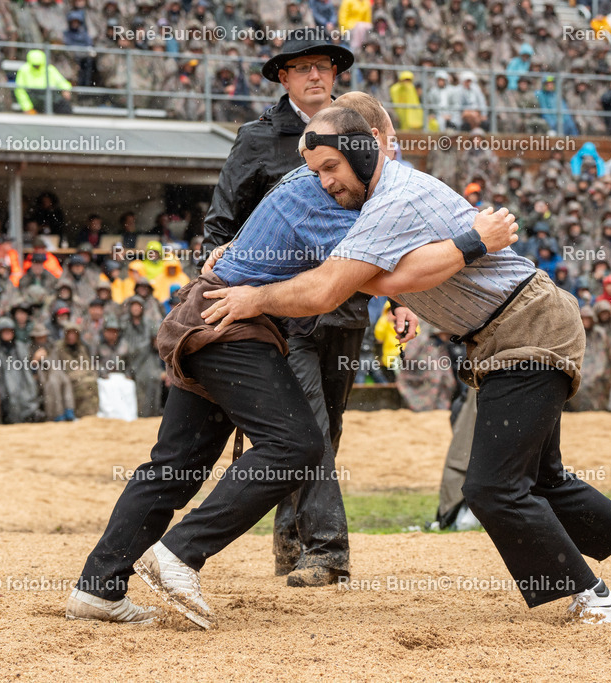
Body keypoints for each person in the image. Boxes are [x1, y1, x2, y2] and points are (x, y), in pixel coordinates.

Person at [201, 106, 611, 625]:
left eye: (329, 168)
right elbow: (357, 265)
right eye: (316, 172)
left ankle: (590, 596)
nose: (323, 182)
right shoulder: (370, 200)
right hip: (513, 327)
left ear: (366, 148)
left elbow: (334, 285)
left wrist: (254, 295)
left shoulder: (397, 197)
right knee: (540, 478)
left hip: (527, 329)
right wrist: (240, 250)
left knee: (491, 488)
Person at [66, 108, 517, 626]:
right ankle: (178, 552)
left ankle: (97, 589)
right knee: (296, 445)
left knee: (175, 466)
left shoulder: (318, 182)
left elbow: (375, 262)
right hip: (230, 324)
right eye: (385, 143)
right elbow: (372, 275)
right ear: (370, 141)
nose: (390, 157)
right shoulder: (326, 194)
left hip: (212, 316)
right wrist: (474, 240)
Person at [200, 33, 394, 588]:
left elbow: (385, 221)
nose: (315, 76)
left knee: (323, 430)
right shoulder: (257, 139)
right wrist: (219, 255)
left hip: (348, 306)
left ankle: (292, 545)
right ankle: (327, 551)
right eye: (302, 68)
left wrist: (397, 300)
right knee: (306, 425)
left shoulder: (362, 134)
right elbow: (222, 222)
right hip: (283, 310)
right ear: (282, 77)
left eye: (324, 67)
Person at [15, 49, 73, 115]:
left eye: (39, 65)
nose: (37, 67)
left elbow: (61, 81)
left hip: (49, 95)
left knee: (65, 107)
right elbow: (20, 90)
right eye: (35, 65)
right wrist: (27, 108)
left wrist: (65, 89)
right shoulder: (24, 70)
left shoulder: (49, 69)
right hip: (34, 97)